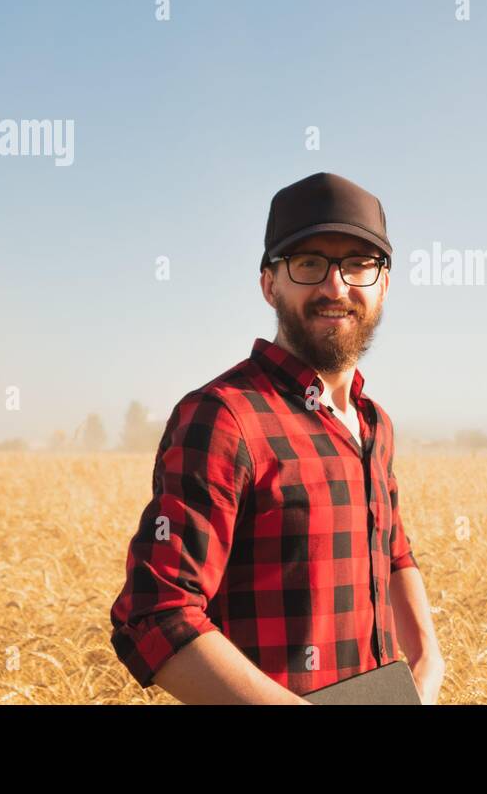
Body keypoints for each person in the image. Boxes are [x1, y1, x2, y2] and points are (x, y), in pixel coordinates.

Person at [109, 171, 445, 704]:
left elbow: (394, 549)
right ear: (270, 283)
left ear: (383, 284)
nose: (336, 286)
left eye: (359, 264)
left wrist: (427, 660)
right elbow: (156, 613)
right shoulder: (225, 418)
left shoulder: (374, 424)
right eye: (310, 263)